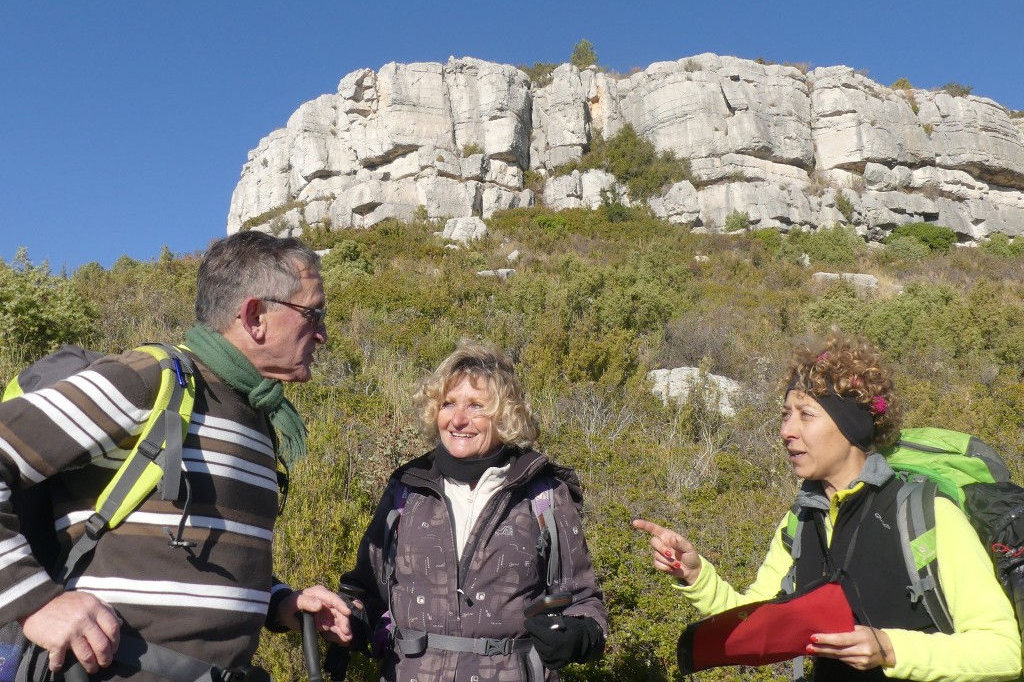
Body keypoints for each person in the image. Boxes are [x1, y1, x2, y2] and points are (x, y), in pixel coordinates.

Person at [0, 231, 357, 681]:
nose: (322, 333)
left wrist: (280, 601)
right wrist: (35, 603)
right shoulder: (148, 380)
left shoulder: (257, 415)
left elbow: (192, 557)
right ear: (254, 316)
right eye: (313, 313)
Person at [634, 331, 1022, 682]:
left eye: (806, 414)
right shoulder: (801, 519)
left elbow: (1002, 651)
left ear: (851, 426)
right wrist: (697, 575)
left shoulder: (924, 515)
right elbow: (761, 616)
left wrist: (889, 649)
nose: (787, 431)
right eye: (786, 414)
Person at [333, 340, 607, 682]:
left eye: (476, 406)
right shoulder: (407, 489)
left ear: (504, 415)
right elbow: (367, 591)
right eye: (448, 404)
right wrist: (346, 620)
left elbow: (585, 604)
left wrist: (578, 638)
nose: (459, 419)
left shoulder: (544, 493)